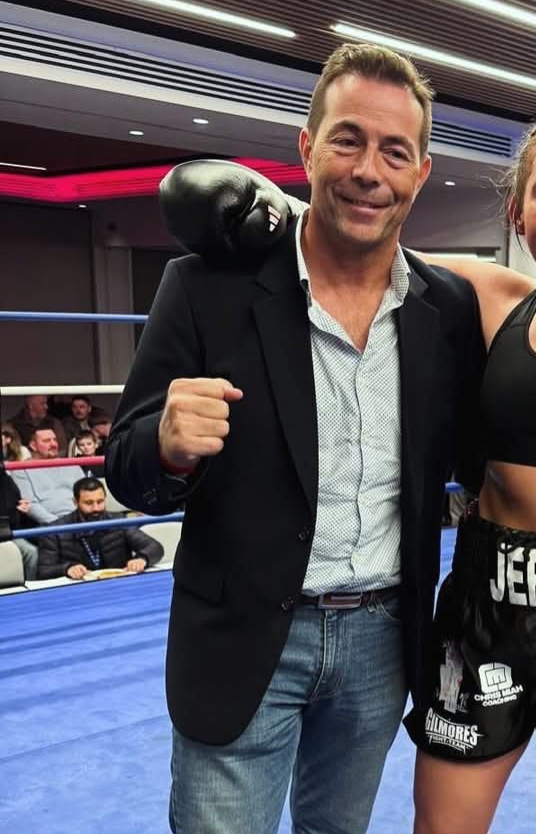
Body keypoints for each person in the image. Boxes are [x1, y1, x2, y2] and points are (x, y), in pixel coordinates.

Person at [156, 107, 536, 834]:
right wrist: (274, 211)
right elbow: (371, 245)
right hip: (487, 604)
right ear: (516, 212)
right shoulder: (487, 300)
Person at [105, 43, 484, 834]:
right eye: (348, 140)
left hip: (382, 637)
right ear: (307, 148)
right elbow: (126, 467)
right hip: (244, 637)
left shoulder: (445, 309)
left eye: (394, 152)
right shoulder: (205, 287)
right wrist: (167, 443)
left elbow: (480, 453)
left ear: (420, 172)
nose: (368, 171)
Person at [35, 477, 163, 580]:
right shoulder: (55, 530)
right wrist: (67, 568)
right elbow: (44, 571)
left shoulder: (118, 521)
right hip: (77, 589)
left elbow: (155, 547)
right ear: (75, 502)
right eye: (89, 503)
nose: (96, 508)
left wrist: (142, 559)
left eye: (100, 501)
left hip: (118, 584)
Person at [10, 424, 86, 524]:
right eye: (47, 441)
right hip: (48, 525)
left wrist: (82, 519)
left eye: (55, 440)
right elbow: (29, 504)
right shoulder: (21, 470)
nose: (53, 444)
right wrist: (58, 524)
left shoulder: (72, 465)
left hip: (81, 520)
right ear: (33, 445)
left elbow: (87, 494)